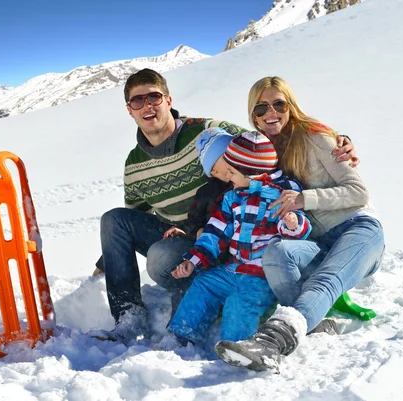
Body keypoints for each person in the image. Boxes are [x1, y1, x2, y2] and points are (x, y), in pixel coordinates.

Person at [95, 69, 357, 343]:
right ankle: (129, 317)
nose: (147, 105)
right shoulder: (134, 164)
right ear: (129, 110)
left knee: (163, 256)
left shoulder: (206, 129)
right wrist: (108, 261)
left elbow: (263, 140)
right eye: (138, 101)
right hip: (194, 233)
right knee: (114, 219)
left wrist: (334, 139)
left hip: (227, 230)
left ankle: (213, 309)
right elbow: (135, 217)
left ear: (168, 100)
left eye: (154, 97)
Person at [214, 76, 385, 372]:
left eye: (279, 104)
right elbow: (217, 137)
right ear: (252, 115)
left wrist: (304, 198)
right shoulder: (264, 148)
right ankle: (315, 322)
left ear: (290, 106)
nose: (271, 112)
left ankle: (273, 341)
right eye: (261, 107)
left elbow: (359, 192)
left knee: (325, 280)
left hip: (358, 228)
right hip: (318, 239)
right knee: (277, 254)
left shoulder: (316, 138)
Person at [167, 128, 312, 346]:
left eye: (232, 173)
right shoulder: (232, 198)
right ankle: (181, 335)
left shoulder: (283, 192)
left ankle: (236, 347)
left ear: (251, 172)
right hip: (233, 268)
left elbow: (299, 228)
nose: (228, 177)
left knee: (240, 302)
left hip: (262, 275)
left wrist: (293, 223)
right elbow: (215, 232)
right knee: (204, 283)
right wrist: (193, 260)